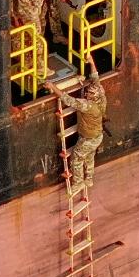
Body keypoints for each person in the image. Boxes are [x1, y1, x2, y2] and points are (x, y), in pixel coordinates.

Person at [44, 54, 107, 188]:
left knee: (76, 159)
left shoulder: (87, 106)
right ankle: (89, 179)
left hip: (88, 138)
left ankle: (78, 183)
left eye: (89, 93)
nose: (86, 93)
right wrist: (91, 62)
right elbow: (95, 77)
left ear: (93, 97)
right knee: (89, 157)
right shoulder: (101, 96)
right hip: (97, 136)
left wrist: (53, 86)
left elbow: (68, 99)